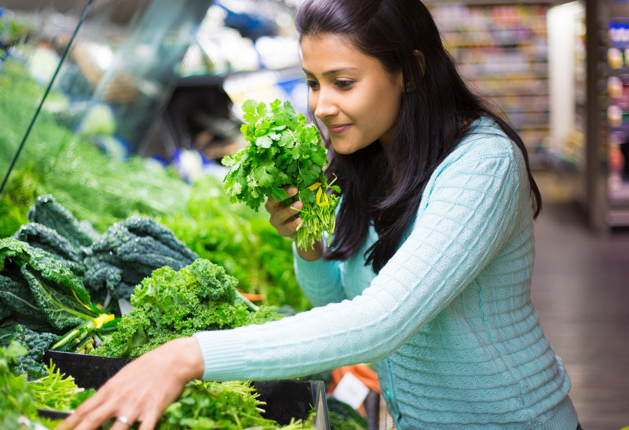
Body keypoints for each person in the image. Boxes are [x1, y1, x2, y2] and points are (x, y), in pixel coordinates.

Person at [60, 0, 582, 429]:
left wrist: (187, 355)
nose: (321, 105)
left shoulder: (483, 164)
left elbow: (380, 322)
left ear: (412, 71)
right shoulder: (373, 155)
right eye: (313, 82)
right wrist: (308, 245)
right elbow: (342, 298)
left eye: (343, 82)